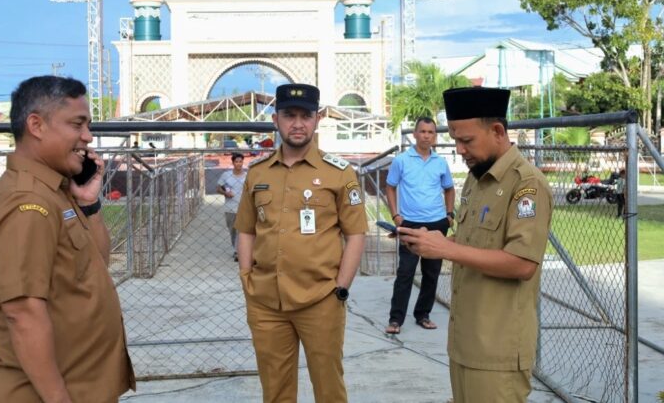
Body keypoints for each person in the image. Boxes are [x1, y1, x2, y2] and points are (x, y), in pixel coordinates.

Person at [0, 76, 135, 402]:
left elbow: (97, 263)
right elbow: (22, 312)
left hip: (83, 386)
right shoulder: (29, 204)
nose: (88, 137)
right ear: (36, 125)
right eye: (77, 124)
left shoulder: (57, 191)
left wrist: (89, 203)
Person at [398, 87, 553, 402]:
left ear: (497, 131)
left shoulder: (527, 184)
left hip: (497, 349)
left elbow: (522, 264)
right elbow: (473, 244)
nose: (459, 150)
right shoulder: (476, 178)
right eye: (455, 140)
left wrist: (445, 249)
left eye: (466, 141)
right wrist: (432, 242)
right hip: (465, 341)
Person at [235, 83, 368, 403]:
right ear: (275, 120)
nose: (297, 123)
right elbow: (247, 229)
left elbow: (355, 234)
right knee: (275, 389)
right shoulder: (257, 173)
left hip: (320, 299)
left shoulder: (339, 173)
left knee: (328, 386)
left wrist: (342, 287)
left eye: (305, 115)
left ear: (317, 119)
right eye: (289, 115)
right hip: (267, 301)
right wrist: (246, 277)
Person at [384, 117, 455, 334]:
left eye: (431, 132)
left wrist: (449, 215)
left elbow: (449, 189)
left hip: (436, 224)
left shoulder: (440, 163)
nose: (426, 136)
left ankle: (423, 315)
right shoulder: (402, 160)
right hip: (410, 224)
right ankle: (396, 319)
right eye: (422, 131)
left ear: (435, 136)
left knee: (431, 272)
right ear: (414, 134)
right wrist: (396, 216)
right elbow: (390, 187)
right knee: (405, 271)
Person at [217, 152, 246, 261]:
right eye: (236, 162)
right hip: (230, 208)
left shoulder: (247, 176)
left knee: (242, 230)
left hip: (244, 208)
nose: (239, 164)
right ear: (233, 163)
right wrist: (225, 193)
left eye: (240, 161)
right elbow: (218, 188)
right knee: (233, 230)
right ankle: (235, 248)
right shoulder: (226, 175)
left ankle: (239, 252)